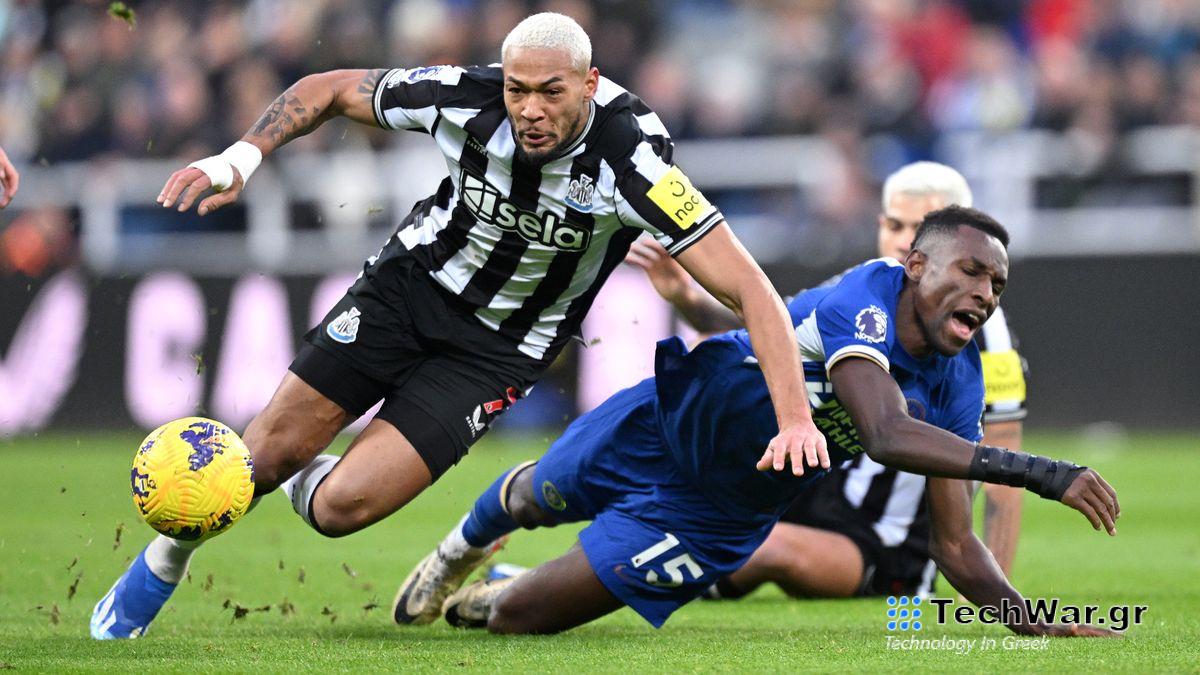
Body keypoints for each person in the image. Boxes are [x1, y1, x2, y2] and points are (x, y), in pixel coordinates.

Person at [90, 13, 828, 640]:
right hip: (406, 292)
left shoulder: (635, 159)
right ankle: (164, 559)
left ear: (591, 85)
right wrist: (241, 157)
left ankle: (279, 463)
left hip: (498, 350)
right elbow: (329, 88)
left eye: (550, 92)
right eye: (517, 91)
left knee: (341, 509)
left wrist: (795, 419)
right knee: (260, 459)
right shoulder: (463, 96)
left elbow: (754, 291)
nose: (529, 109)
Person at [396, 206, 1120, 636]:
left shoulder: (959, 388)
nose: (984, 291)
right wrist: (1047, 473)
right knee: (537, 495)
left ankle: (495, 593)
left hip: (722, 513)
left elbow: (956, 545)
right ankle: (459, 548)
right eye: (969, 270)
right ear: (914, 263)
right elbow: (883, 432)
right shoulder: (867, 294)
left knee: (522, 619)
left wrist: (1028, 619)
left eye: (995, 282)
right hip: (669, 420)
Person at [626, 161, 1026, 599]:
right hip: (819, 494)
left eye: (919, 227)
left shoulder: (983, 332)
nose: (904, 240)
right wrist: (689, 299)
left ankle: (634, 581)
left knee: (757, 546)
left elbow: (1001, 457)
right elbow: (773, 332)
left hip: (887, 540)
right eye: (895, 224)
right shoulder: (864, 290)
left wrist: (994, 598)